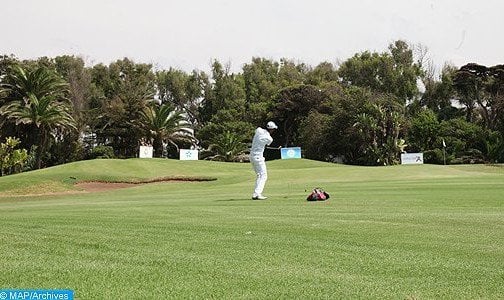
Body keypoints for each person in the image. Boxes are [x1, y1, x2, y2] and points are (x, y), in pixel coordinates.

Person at [250, 121, 278, 200]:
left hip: (252, 156)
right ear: (272, 130)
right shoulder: (269, 138)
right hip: (258, 157)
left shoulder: (258, 130)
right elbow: (267, 144)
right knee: (263, 175)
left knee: (259, 175)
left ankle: (256, 193)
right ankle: (257, 194)